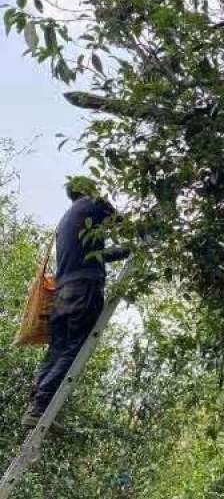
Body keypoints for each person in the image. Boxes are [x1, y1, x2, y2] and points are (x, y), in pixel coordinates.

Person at [21, 177, 131, 427]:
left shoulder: (67, 220)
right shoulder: (93, 203)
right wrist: (143, 236)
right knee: (73, 349)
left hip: (62, 294)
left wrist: (126, 250)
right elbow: (128, 228)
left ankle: (36, 405)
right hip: (83, 291)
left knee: (57, 349)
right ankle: (41, 407)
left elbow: (95, 256)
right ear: (89, 189)